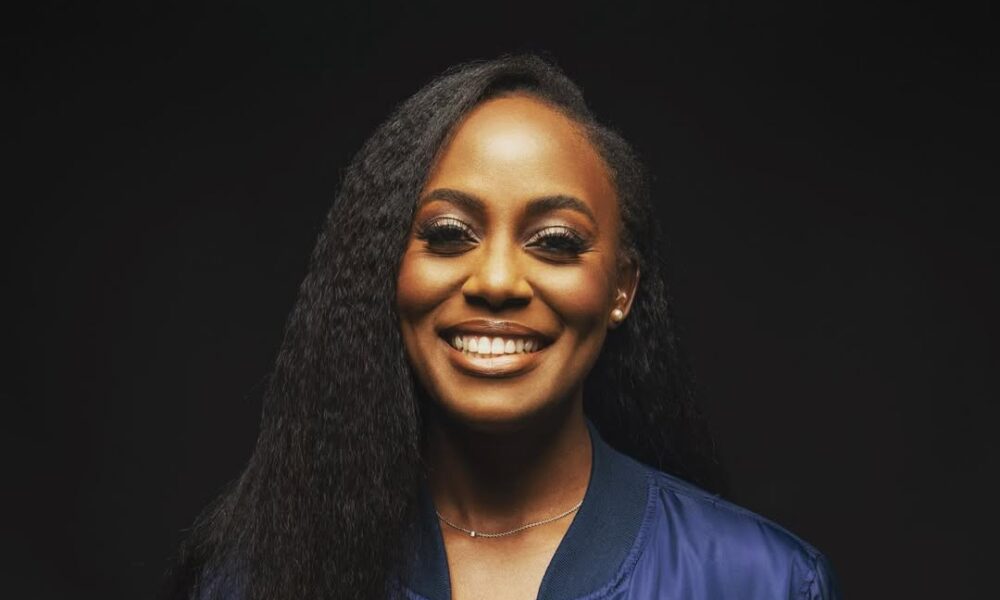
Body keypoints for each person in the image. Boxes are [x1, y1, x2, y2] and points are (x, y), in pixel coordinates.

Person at [162, 54, 841, 600]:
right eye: (448, 234)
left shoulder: (763, 583)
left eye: (554, 242)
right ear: (388, 269)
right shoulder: (252, 581)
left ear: (621, 289)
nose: (495, 281)